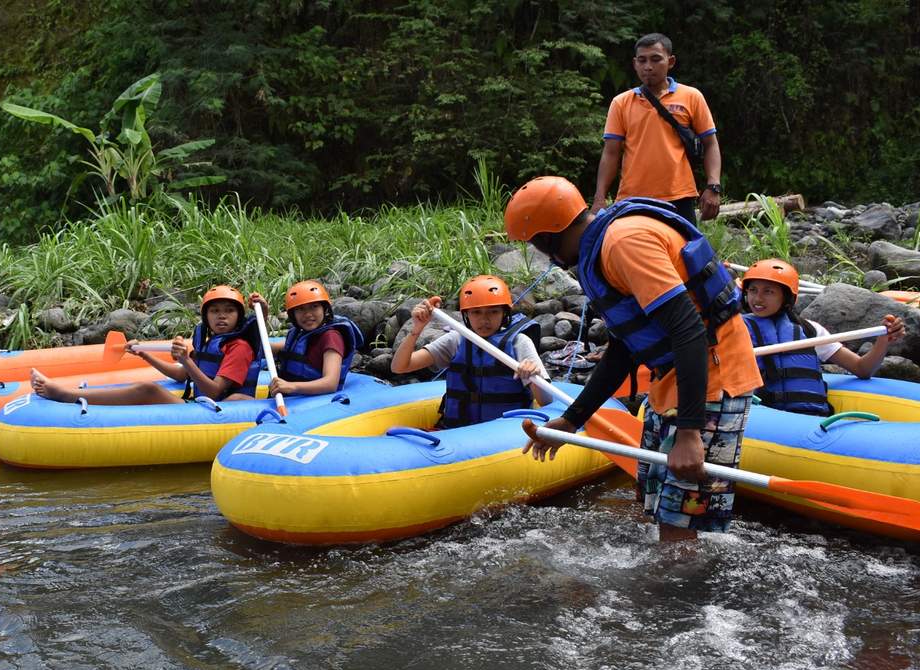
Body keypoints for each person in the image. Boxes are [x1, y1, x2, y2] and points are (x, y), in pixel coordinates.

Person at [508, 176, 761, 539]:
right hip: (672, 378)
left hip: (712, 377)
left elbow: (688, 328)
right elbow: (624, 348)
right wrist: (572, 420)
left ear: (550, 237)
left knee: (677, 527)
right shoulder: (602, 248)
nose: (548, 258)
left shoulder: (624, 243)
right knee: (655, 509)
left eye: (538, 245)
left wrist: (690, 432)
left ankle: (683, 577)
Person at [30, 285, 260, 405]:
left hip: (221, 407)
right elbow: (181, 375)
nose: (221, 316)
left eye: (229, 311)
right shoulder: (209, 341)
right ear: (206, 317)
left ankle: (63, 394)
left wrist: (186, 360)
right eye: (215, 311)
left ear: (239, 316)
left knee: (148, 390)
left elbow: (215, 391)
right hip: (202, 404)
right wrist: (145, 355)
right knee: (148, 388)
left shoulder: (239, 347)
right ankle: (69, 392)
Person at [741, 258, 906, 415]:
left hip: (810, 417)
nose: (758, 298)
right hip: (762, 417)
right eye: (753, 290)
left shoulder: (810, 331)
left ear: (786, 297)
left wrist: (883, 341)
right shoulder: (736, 329)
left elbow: (862, 369)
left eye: (768, 291)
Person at [592, 32, 722, 226]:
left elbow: (710, 144)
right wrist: (599, 197)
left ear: (671, 62)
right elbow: (611, 153)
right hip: (633, 199)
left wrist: (713, 186)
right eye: (642, 60)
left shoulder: (691, 97)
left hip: (679, 197)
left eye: (655, 59)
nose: (648, 66)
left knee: (684, 245)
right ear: (635, 63)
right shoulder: (621, 103)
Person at [390, 275, 552, 428]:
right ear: (466, 314)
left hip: (505, 434)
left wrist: (533, 375)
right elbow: (399, 367)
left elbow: (546, 401)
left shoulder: (519, 342)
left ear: (504, 313)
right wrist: (417, 329)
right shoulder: (456, 340)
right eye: (476, 312)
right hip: (458, 432)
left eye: (493, 311)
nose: (484, 320)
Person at [249, 280, 363, 396]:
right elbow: (263, 349)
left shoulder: (332, 337)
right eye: (300, 309)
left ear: (324, 309)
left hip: (316, 401)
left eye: (314, 307)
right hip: (293, 398)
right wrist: (263, 314)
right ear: (293, 315)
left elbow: (330, 383)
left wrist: (291, 386)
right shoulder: (298, 335)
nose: (308, 314)